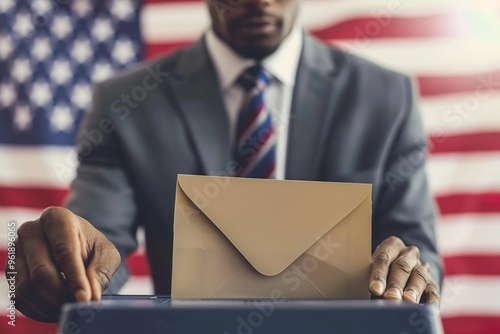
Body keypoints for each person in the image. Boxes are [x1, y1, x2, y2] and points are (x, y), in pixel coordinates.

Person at [8, 0, 442, 322]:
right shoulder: (127, 101)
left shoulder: (385, 98)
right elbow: (100, 237)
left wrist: (409, 274)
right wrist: (70, 257)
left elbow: (416, 249)